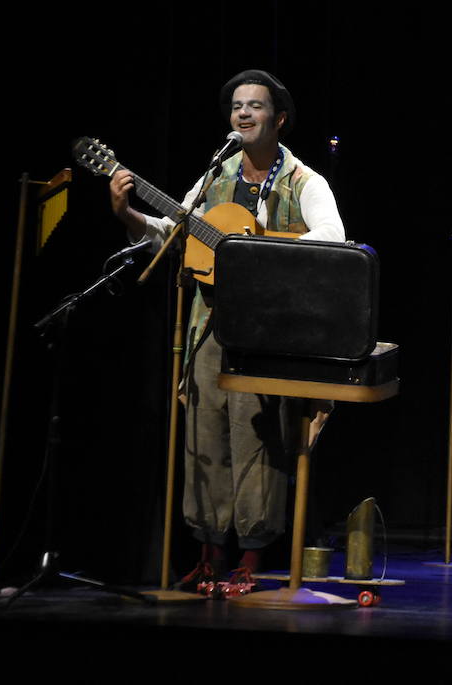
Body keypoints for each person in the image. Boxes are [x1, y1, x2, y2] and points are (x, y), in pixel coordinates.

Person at [109, 70, 344, 587]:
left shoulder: (305, 181)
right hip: (211, 322)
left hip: (268, 329)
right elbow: (173, 233)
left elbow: (332, 236)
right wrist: (129, 215)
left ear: (278, 118)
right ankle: (209, 553)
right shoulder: (215, 177)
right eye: (237, 106)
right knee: (205, 435)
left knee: (255, 438)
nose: (243, 114)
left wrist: (258, 251)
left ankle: (252, 557)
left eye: (255, 106)